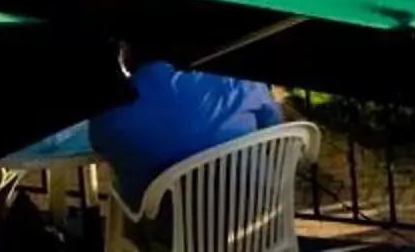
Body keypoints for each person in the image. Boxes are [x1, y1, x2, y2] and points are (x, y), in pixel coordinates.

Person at [89, 58, 284, 226]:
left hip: (178, 233)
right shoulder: (237, 82)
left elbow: (100, 147)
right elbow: (274, 122)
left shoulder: (111, 113)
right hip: (262, 217)